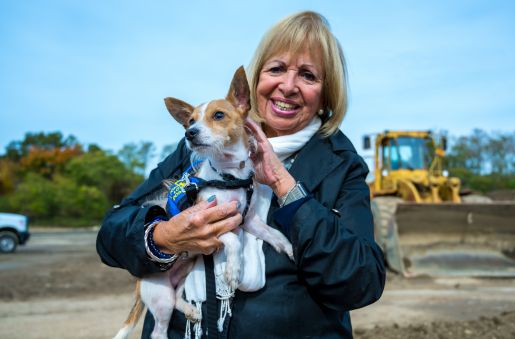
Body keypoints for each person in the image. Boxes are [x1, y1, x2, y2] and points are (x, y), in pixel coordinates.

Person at [97, 10, 385, 338]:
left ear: (326, 92)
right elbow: (112, 233)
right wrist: (162, 238)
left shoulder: (341, 165)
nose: (287, 86)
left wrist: (284, 186)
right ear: (255, 80)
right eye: (276, 68)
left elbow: (362, 283)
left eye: (308, 75)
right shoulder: (200, 148)